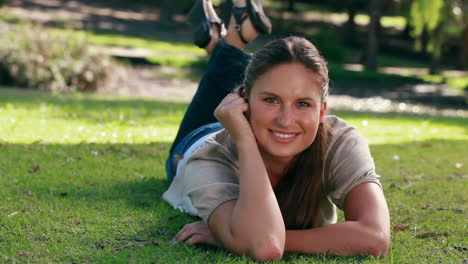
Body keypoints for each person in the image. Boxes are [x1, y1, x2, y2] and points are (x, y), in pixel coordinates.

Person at [163, 0, 390, 261]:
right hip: (200, 140)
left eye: (303, 103)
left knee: (259, 83)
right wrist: (245, 141)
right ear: (244, 101)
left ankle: (227, 45)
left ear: (322, 111)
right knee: (224, 119)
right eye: (271, 99)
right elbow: (264, 248)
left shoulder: (340, 140)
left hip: (258, 126)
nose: (286, 119)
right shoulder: (209, 158)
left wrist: (237, 237)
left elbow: (376, 237)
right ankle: (227, 45)